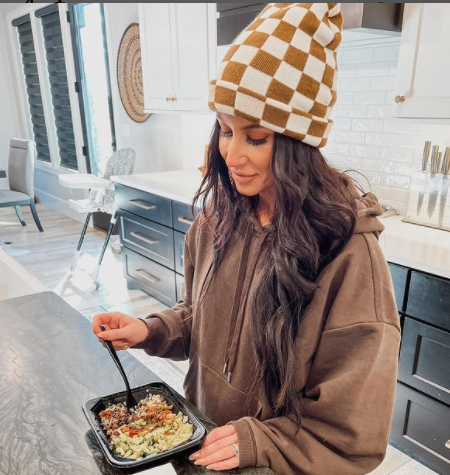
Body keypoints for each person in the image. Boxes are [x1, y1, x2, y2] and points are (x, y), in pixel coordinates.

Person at [93, 4, 401, 474]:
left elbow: (351, 435)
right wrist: (151, 330)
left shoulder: (348, 256)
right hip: (199, 450)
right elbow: (204, 318)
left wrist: (260, 442)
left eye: (255, 137)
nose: (231, 154)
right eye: (225, 129)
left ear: (300, 143)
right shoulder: (217, 219)